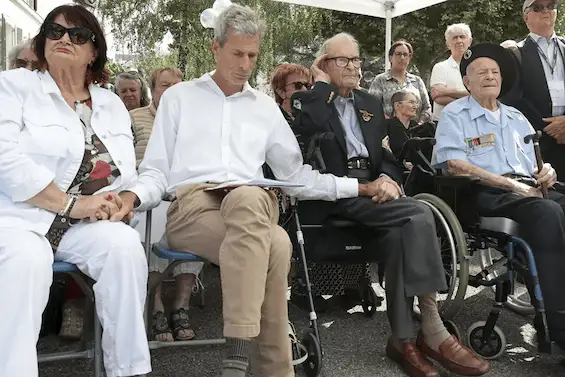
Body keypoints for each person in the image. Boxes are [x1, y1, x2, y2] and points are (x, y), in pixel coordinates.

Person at [291, 32, 489, 377]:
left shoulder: (368, 103)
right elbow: (310, 126)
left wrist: (389, 180)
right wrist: (322, 85)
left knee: (403, 232)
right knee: (420, 211)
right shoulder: (306, 101)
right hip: (335, 194)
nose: (353, 66)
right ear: (324, 64)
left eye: (356, 60)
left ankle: (400, 339)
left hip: (374, 193)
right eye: (343, 60)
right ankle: (432, 326)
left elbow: (385, 155)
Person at [0, 5, 151, 377]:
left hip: (80, 226)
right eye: (55, 31)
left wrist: (120, 203)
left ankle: (127, 370)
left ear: (93, 51)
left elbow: (126, 175)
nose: (64, 39)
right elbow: (5, 159)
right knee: (28, 259)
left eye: (78, 35)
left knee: (124, 246)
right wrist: (71, 203)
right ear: (42, 40)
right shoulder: (13, 87)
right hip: (21, 218)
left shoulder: (112, 104)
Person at [432, 42, 565, 354]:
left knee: (550, 206)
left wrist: (548, 171)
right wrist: (511, 186)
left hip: (531, 190)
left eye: (494, 71)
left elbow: (537, 161)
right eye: (481, 72)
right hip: (487, 193)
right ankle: (557, 325)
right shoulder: (455, 114)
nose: (490, 76)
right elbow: (454, 164)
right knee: (547, 214)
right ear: (467, 81)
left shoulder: (516, 117)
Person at [130, 66, 203, 342]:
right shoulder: (134, 118)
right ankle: (156, 304)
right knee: (152, 224)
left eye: (176, 86)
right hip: (147, 192)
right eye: (164, 86)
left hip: (183, 193)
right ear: (153, 90)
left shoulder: (194, 121)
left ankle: (181, 304)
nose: (171, 91)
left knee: (196, 225)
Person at [503, 0, 565, 179]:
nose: (546, 11)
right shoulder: (515, 53)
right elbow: (513, 99)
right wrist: (552, 128)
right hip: (536, 141)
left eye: (551, 6)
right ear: (526, 18)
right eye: (538, 8)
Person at [369, 40, 432, 123]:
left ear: (409, 58)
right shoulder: (380, 80)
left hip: (416, 131)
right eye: (398, 54)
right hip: (388, 130)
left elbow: (427, 107)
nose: (402, 58)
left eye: (405, 55)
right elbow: (372, 107)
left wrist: (420, 124)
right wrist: (391, 125)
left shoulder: (417, 81)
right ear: (390, 58)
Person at [429, 23, 472, 121]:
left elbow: (480, 94)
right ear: (448, 44)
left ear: (469, 41)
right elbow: (438, 98)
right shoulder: (440, 67)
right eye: (455, 38)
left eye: (462, 37)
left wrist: (447, 91)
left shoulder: (477, 68)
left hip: (471, 123)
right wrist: (470, 98)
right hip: (445, 124)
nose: (459, 40)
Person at [387, 89, 436, 163]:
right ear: (397, 105)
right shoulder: (386, 126)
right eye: (411, 102)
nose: (415, 106)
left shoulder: (417, 127)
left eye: (416, 103)